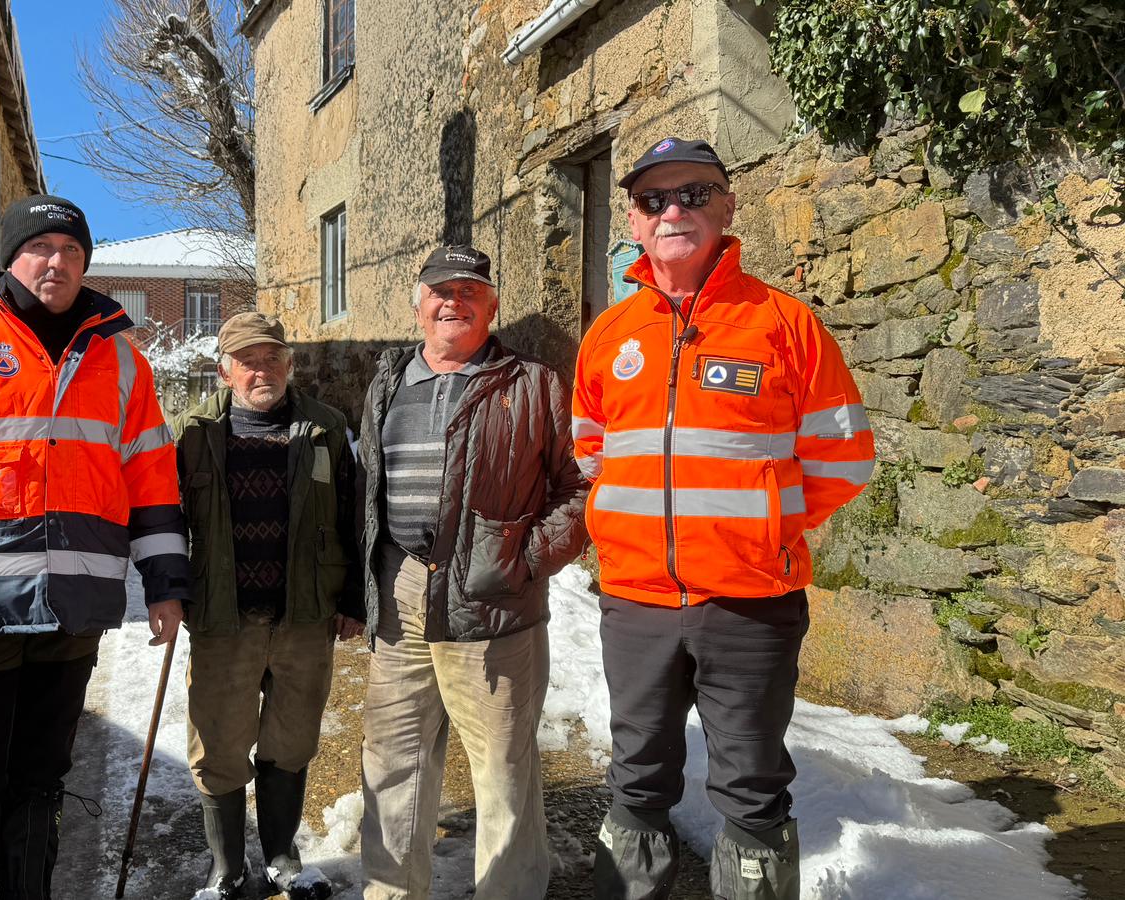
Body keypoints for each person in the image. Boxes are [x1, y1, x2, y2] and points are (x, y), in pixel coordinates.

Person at [572, 137, 875, 899]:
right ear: (634, 223)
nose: (675, 211)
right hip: (636, 603)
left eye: (695, 194)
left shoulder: (784, 324)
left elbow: (844, 461)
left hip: (750, 604)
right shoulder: (609, 336)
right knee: (636, 780)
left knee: (752, 786)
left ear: (728, 206)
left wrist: (760, 532)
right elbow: (589, 449)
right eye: (654, 200)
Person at [0, 194, 191, 900]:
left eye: (73, 252)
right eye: (40, 248)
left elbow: (150, 474)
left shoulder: (122, 361)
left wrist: (167, 583)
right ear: (11, 257)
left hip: (75, 610)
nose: (57, 263)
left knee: (44, 778)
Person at [356, 245, 588, 900]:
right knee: (391, 766)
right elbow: (367, 488)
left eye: (468, 292)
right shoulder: (388, 379)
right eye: (439, 291)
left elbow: (580, 487)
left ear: (491, 306)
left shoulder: (533, 383)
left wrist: (526, 558)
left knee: (503, 773)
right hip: (400, 592)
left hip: (492, 600)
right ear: (418, 303)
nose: (451, 302)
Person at [174, 312, 364, 899]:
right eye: (248, 360)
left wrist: (354, 597)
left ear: (288, 364)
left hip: (304, 614)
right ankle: (226, 867)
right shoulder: (191, 433)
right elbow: (161, 518)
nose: (263, 369)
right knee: (220, 743)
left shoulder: (327, 428)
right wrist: (167, 587)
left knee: (291, 737)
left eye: (272, 357)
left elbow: (354, 517)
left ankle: (281, 854)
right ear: (226, 370)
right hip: (223, 616)